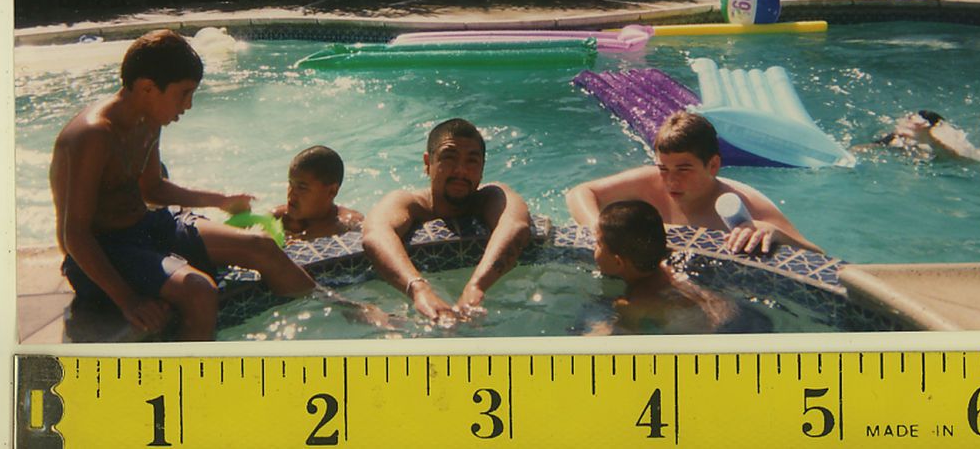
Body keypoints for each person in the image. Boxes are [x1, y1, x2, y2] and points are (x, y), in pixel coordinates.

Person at [50, 29, 316, 341]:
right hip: (102, 253)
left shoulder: (147, 120)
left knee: (262, 246)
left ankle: (330, 316)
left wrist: (220, 200)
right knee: (200, 292)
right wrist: (128, 299)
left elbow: (153, 189)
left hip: (147, 228)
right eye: (184, 93)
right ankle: (193, 379)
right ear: (148, 88)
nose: (188, 105)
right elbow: (75, 234)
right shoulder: (94, 136)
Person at [566, 111, 822, 255]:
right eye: (664, 168)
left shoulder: (746, 204)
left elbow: (820, 257)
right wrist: (597, 228)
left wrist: (776, 234)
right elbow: (580, 192)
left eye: (684, 169)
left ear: (713, 165)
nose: (670, 180)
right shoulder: (650, 181)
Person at [362, 118, 532, 324]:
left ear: (483, 167)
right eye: (449, 158)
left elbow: (515, 226)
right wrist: (419, 289)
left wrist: (476, 286)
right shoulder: (408, 202)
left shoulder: (492, 196)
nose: (461, 170)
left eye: (472, 161)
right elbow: (375, 234)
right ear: (428, 163)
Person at [586, 201, 736, 334]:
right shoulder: (669, 269)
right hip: (728, 315)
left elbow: (618, 339)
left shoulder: (635, 302)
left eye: (598, 244)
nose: (594, 247)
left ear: (618, 262)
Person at [272, 145, 364, 240]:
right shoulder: (278, 218)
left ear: (332, 191)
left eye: (302, 187)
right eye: (290, 184)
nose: (291, 193)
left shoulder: (349, 226)